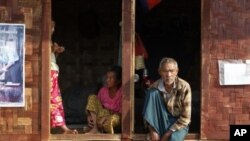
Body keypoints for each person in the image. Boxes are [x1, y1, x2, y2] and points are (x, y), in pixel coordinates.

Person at [142, 57, 191, 141]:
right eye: (165, 71)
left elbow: (186, 117)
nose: (168, 75)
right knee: (152, 93)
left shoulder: (184, 87)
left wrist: (168, 133)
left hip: (179, 123)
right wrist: (152, 130)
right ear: (160, 72)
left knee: (174, 139)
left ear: (177, 71)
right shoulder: (154, 87)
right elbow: (149, 112)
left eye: (171, 71)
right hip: (161, 121)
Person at [50, 21, 77, 134]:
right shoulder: (43, 41)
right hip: (49, 74)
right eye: (51, 27)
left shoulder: (51, 42)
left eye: (53, 27)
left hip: (53, 73)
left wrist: (56, 52)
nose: (53, 29)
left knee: (55, 99)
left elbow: (51, 58)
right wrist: (54, 49)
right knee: (53, 99)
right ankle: (63, 128)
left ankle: (63, 127)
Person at [85, 65, 122, 134]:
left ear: (118, 80)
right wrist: (89, 116)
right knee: (92, 97)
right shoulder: (103, 90)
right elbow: (96, 106)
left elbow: (121, 114)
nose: (107, 80)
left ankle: (104, 130)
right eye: (107, 77)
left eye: (111, 78)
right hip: (101, 118)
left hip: (114, 119)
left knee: (110, 121)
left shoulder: (122, 92)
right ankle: (95, 128)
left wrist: (106, 117)